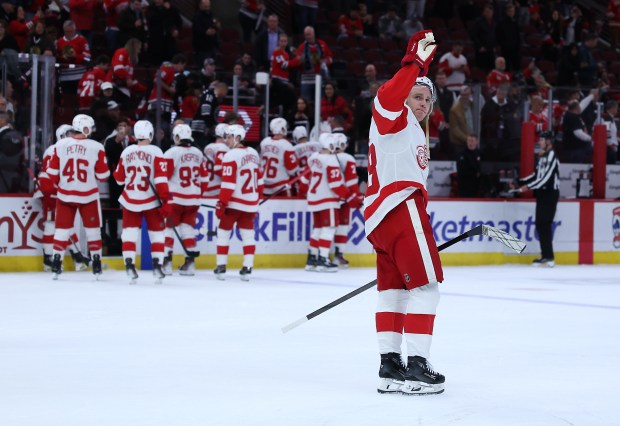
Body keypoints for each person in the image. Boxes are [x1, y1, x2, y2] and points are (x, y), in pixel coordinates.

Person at [364, 30, 445, 395]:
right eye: (417, 95)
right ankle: (416, 366)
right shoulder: (393, 114)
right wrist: (415, 62)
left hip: (382, 217)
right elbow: (387, 95)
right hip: (400, 208)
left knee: (394, 291)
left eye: (427, 98)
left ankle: (390, 366)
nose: (423, 102)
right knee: (426, 286)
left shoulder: (410, 126)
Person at [42, 114, 110, 279]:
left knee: (61, 230)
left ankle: (56, 263)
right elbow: (103, 175)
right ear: (86, 128)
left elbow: (51, 173)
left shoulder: (60, 145)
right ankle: (96, 263)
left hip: (65, 194)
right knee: (93, 231)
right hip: (88, 195)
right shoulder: (97, 147)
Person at [113, 120, 171, 284]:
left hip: (130, 199)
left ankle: (129, 265)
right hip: (151, 200)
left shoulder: (127, 152)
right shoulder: (157, 151)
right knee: (157, 234)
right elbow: (160, 180)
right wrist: (166, 200)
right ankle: (157, 265)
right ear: (150, 134)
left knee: (129, 234)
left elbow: (118, 179)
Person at [300, 133, 362, 272]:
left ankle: (312, 259)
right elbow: (336, 185)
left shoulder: (314, 157)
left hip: (314, 198)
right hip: (327, 199)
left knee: (317, 230)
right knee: (329, 229)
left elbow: (304, 180)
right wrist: (351, 198)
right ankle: (323, 259)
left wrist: (305, 191)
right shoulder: (331, 160)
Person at [35, 124, 90, 272]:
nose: (73, 136)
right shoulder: (55, 149)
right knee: (53, 224)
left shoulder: (63, 149)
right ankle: (51, 259)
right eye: (70, 133)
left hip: (60, 190)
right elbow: (49, 175)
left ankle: (76, 257)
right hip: (52, 190)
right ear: (62, 135)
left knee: (64, 225)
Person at [214, 124, 263, 281]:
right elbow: (260, 181)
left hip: (234, 204)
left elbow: (228, 184)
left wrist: (221, 203)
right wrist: (257, 198)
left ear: (237, 138)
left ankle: (221, 267)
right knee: (248, 235)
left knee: (223, 233)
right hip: (250, 203)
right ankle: (247, 267)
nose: (226, 140)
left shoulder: (230, 156)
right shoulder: (254, 153)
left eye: (228, 137)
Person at [162, 124, 208, 276]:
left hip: (175, 198)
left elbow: (164, 177)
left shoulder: (170, 153)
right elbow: (205, 178)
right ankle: (190, 264)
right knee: (187, 230)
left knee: (168, 229)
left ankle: (167, 263)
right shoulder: (198, 153)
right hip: (193, 199)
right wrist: (197, 193)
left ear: (176, 137)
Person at [518, 131, 560, 267]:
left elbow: (546, 179)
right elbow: (536, 175)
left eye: (542, 140)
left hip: (550, 193)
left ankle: (549, 256)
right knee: (540, 224)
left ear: (548, 141)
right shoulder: (542, 157)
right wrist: (520, 181)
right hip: (542, 193)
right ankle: (546, 255)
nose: (539, 142)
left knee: (544, 223)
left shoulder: (552, 155)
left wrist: (528, 187)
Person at [332, 132, 361, 267]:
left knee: (327, 228)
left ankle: (322, 256)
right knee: (342, 227)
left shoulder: (326, 157)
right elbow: (351, 181)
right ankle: (339, 255)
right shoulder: (348, 158)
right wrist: (355, 196)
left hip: (329, 197)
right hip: (345, 198)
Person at [260, 117, 299, 196]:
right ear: (282, 128)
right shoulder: (286, 145)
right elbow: (292, 170)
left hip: (264, 186)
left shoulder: (264, 142)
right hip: (281, 187)